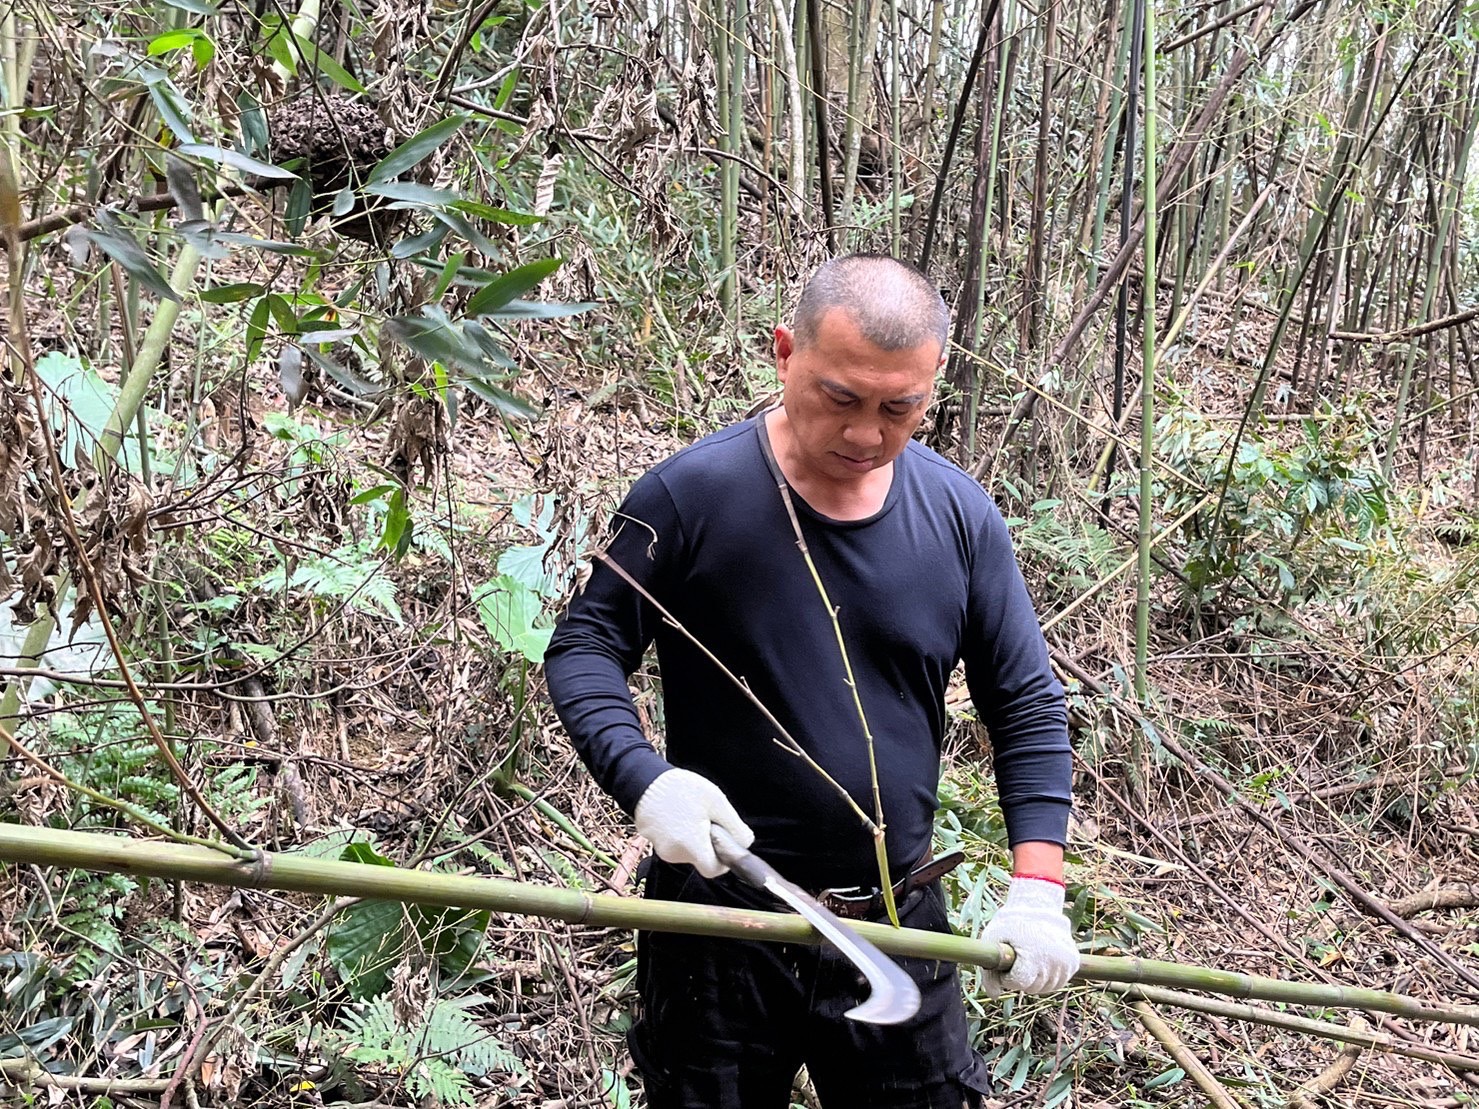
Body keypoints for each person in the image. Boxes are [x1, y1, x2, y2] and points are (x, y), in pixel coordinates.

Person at [544, 254, 1077, 1108]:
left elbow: (1023, 704)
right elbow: (584, 646)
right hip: (719, 920)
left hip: (895, 914)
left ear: (932, 382)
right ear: (784, 352)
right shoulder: (693, 496)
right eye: (841, 397)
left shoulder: (960, 517)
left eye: (899, 408)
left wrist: (1038, 887)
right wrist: (647, 783)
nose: (866, 433)